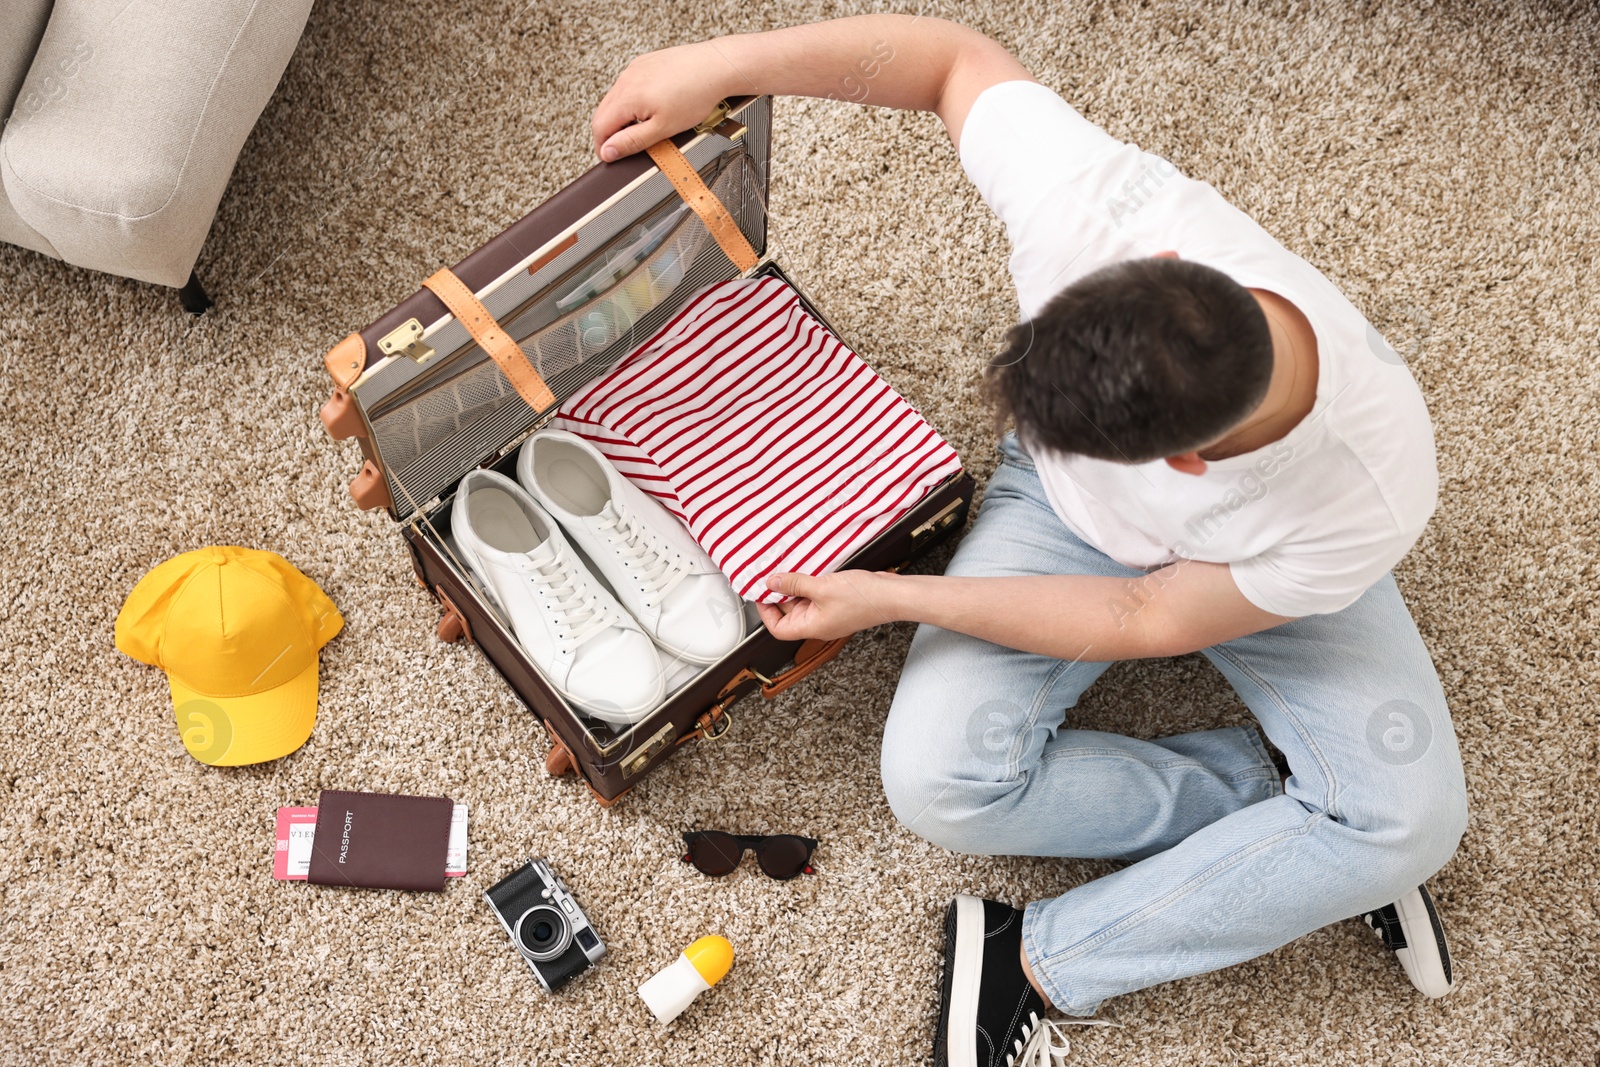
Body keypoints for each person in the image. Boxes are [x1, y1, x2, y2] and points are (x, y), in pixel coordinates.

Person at [593, 16, 1467, 1066]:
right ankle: (1281, 823)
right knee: (938, 782)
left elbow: (1142, 613)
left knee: (1404, 824)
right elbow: (952, 59)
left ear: (1180, 465)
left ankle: (1039, 959)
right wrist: (720, 64)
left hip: (1252, 575)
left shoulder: (1368, 491)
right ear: (1155, 266)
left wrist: (898, 598)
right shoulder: (1099, 208)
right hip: (1075, 524)